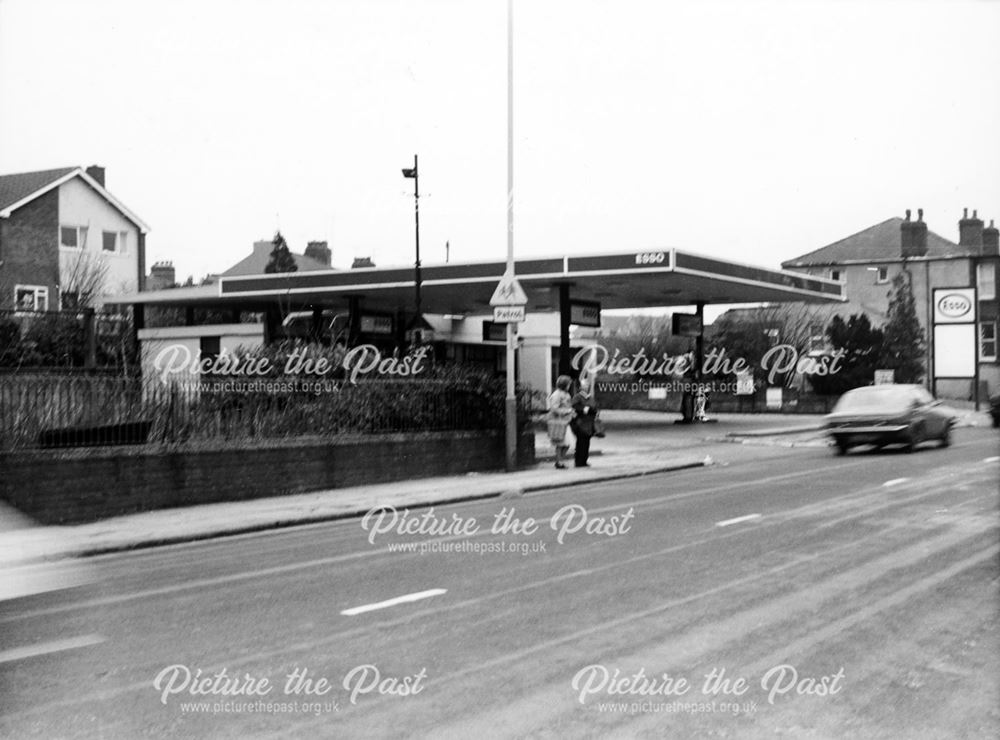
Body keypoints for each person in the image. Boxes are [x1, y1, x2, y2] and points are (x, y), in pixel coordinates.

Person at [546, 375, 574, 469]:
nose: (569, 386)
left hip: (565, 421)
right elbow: (554, 408)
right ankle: (559, 462)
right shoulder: (556, 394)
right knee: (561, 443)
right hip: (558, 421)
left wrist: (570, 411)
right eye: (568, 384)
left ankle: (560, 460)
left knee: (567, 443)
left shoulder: (566, 394)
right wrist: (567, 411)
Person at [570, 377, 599, 467]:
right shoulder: (578, 397)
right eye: (584, 385)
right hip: (580, 422)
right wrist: (586, 409)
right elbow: (575, 407)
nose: (586, 387)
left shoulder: (590, 397)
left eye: (587, 385)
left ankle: (584, 460)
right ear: (580, 387)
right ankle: (578, 461)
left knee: (586, 442)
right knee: (580, 442)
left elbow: (595, 408)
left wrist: (593, 411)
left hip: (589, 423)